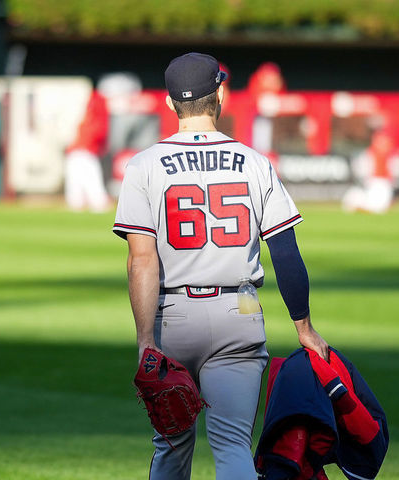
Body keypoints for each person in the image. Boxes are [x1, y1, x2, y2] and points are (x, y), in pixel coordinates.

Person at [113, 52, 329, 480]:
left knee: (171, 446)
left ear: (172, 104)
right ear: (221, 94)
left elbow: (141, 260)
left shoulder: (143, 166)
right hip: (239, 315)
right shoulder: (254, 162)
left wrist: (144, 342)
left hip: (172, 320)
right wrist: (303, 328)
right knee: (232, 447)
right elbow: (285, 252)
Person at [64, 88, 110, 212]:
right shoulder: (93, 113)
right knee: (86, 183)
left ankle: (88, 204)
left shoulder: (93, 113)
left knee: (81, 184)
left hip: (82, 151)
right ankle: (93, 204)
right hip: (81, 151)